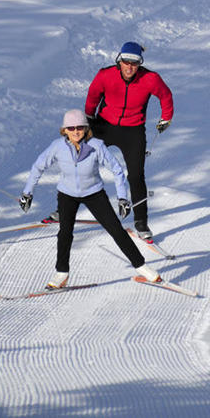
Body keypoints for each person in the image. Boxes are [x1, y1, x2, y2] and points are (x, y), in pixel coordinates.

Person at [19, 108, 160, 289]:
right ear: (64, 130)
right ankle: (62, 273)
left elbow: (117, 170)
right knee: (65, 233)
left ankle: (142, 267)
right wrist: (27, 193)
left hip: (94, 193)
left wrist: (122, 198)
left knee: (116, 230)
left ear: (86, 128)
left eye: (80, 127)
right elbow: (38, 166)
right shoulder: (57, 146)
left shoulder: (96, 145)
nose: (75, 131)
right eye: (71, 128)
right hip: (67, 195)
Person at [84, 41, 173, 239]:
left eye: (135, 63)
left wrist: (166, 117)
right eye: (126, 62)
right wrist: (89, 118)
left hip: (133, 130)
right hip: (104, 125)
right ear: (119, 60)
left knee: (136, 176)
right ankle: (63, 210)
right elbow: (93, 95)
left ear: (140, 64)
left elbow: (165, 96)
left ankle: (141, 223)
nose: (130, 67)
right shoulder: (105, 75)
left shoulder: (150, 78)